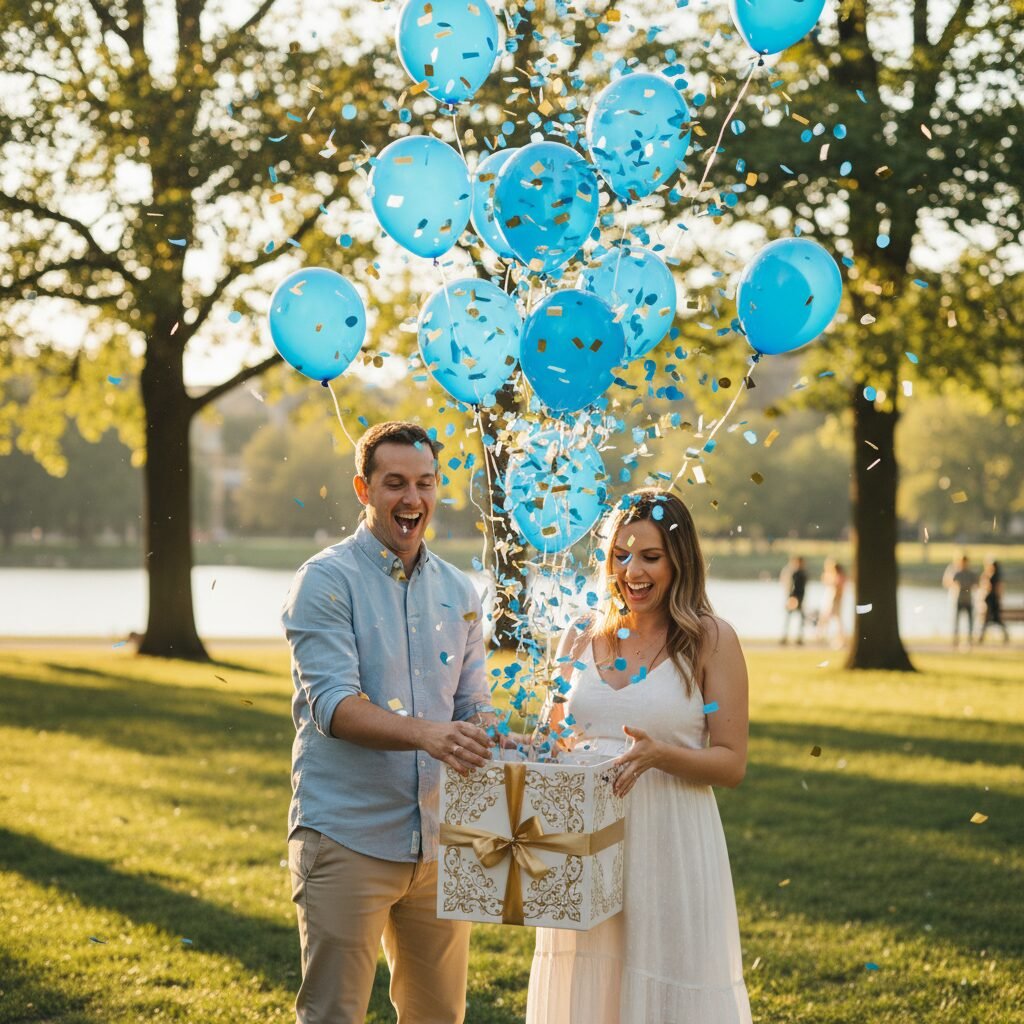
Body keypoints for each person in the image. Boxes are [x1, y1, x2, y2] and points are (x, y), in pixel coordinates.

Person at [282, 420, 496, 1024]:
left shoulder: (460, 589)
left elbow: (473, 709)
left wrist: (535, 742)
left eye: (424, 483)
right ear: (363, 488)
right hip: (347, 836)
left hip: (439, 842)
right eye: (395, 483)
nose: (412, 499)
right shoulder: (325, 580)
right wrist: (430, 734)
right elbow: (333, 706)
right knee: (334, 1016)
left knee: (438, 1017)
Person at [526, 489, 752, 1024]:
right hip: (582, 847)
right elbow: (552, 739)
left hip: (668, 841)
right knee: (588, 982)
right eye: (621, 555)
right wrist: (523, 747)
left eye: (650, 556)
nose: (633, 571)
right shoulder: (579, 636)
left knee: (664, 982)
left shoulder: (709, 640)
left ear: (680, 559)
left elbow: (731, 762)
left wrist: (660, 756)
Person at [943, 554, 978, 649]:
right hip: (958, 600)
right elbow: (947, 583)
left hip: (968, 600)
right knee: (956, 621)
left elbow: (976, 584)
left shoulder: (971, 573)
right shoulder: (957, 573)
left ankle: (969, 640)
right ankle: (956, 640)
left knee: (970, 622)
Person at [817, 558, 848, 647]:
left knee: (831, 619)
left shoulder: (838, 577)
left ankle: (837, 638)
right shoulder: (837, 576)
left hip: (834, 600)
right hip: (832, 599)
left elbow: (834, 587)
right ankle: (823, 636)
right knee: (830, 619)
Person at [977, 559, 1009, 644]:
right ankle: (981, 637)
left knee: (988, 620)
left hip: (991, 601)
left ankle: (981, 638)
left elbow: (987, 587)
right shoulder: (994, 575)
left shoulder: (991, 576)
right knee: (994, 620)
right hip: (992, 600)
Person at [780, 555, 808, 645]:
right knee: (793, 618)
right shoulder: (799, 573)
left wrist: (793, 598)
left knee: (792, 618)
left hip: (796, 598)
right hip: (796, 598)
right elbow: (793, 587)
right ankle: (791, 637)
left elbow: (797, 588)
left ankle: (793, 637)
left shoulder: (799, 573)